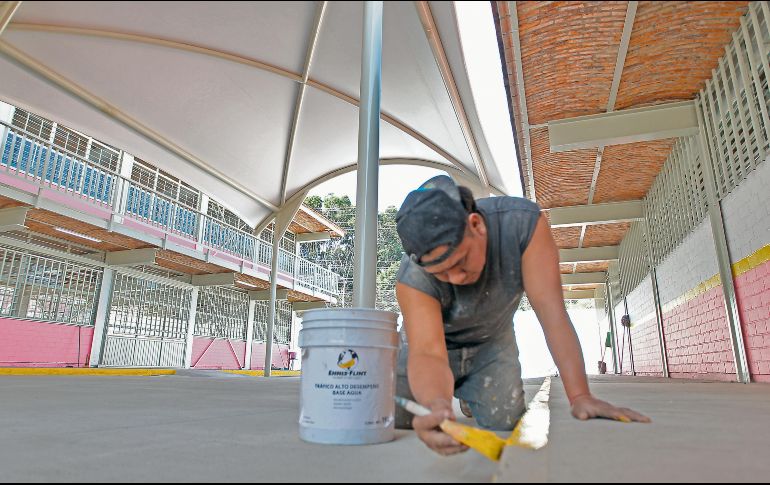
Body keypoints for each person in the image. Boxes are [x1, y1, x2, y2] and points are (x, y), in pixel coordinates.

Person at [393, 175, 650, 457]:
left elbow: (552, 313)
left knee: (503, 420)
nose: (455, 278)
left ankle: (471, 392)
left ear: (476, 225)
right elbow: (429, 352)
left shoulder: (522, 225)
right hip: (435, 346)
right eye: (442, 273)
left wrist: (580, 396)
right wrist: (436, 404)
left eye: (461, 261)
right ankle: (451, 392)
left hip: (490, 342)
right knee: (398, 418)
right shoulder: (412, 278)